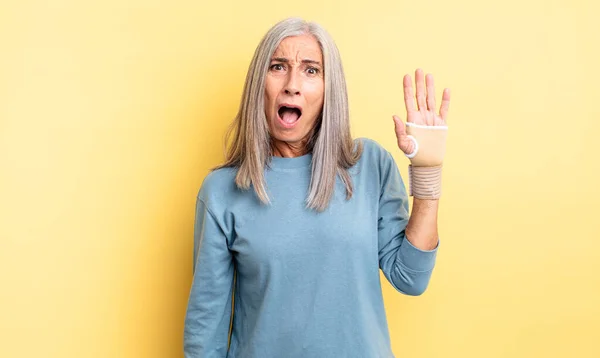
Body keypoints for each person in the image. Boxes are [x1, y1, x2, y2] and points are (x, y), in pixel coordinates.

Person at [183, 16, 450, 358]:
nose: (292, 84)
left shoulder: (370, 166)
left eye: (311, 70)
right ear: (258, 84)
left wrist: (428, 174)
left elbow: (411, 279)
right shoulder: (222, 190)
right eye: (278, 66)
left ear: (329, 91)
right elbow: (206, 331)